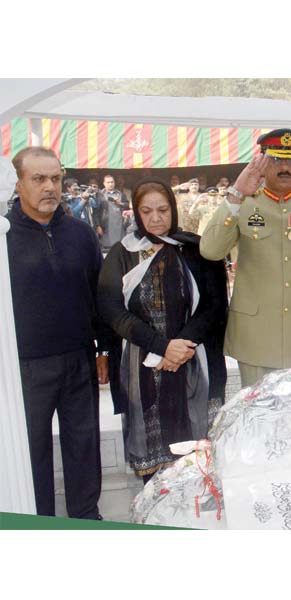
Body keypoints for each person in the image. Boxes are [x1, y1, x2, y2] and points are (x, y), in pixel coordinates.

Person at [97, 178, 228, 483]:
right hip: (143, 364)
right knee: (155, 465)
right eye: (147, 211)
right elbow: (111, 309)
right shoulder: (123, 253)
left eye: (163, 210)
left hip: (193, 359)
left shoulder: (196, 248)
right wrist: (160, 345)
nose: (156, 218)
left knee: (197, 457)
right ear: (136, 213)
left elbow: (215, 304)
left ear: (173, 209)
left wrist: (181, 345)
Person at [7, 146, 108, 519]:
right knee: (32, 450)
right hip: (25, 367)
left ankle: (86, 518)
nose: (50, 187)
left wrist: (104, 351)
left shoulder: (80, 234)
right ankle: (39, 523)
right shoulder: (4, 237)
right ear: (18, 184)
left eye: (56, 179)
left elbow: (99, 295)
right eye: (38, 179)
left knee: (84, 444)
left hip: (79, 360)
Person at [200, 128, 291, 387]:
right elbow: (211, 250)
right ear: (262, 162)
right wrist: (236, 194)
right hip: (255, 335)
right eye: (276, 159)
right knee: (257, 415)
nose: (284, 167)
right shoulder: (243, 202)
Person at [97, 174, 129, 252]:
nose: (110, 184)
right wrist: (98, 225)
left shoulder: (120, 194)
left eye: (112, 182)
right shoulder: (100, 194)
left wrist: (120, 203)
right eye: (108, 182)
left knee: (118, 246)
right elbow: (96, 212)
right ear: (104, 183)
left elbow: (127, 205)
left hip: (118, 225)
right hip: (105, 225)